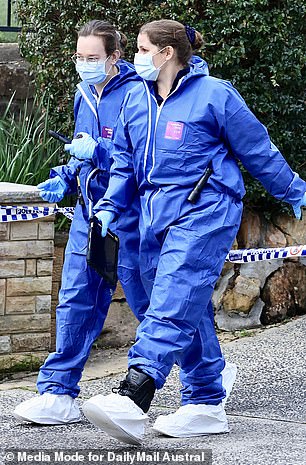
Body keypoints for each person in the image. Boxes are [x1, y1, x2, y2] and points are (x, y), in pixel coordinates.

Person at [81, 19, 306, 444]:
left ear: (167, 53)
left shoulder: (214, 94)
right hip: (153, 214)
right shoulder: (134, 99)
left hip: (206, 208)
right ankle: (204, 401)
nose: (136, 58)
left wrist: (292, 189)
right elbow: (124, 162)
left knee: (174, 293)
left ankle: (134, 393)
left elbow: (256, 147)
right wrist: (110, 204)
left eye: (144, 49)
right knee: (181, 305)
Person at [13, 20, 150, 425]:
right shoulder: (82, 94)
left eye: (93, 58)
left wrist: (102, 152)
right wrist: (65, 175)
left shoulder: (138, 94)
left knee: (154, 305)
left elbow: (141, 159)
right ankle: (57, 392)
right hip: (91, 213)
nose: (85, 65)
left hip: (132, 215)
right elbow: (81, 151)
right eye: (80, 57)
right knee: (75, 300)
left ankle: (206, 380)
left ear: (114, 57)